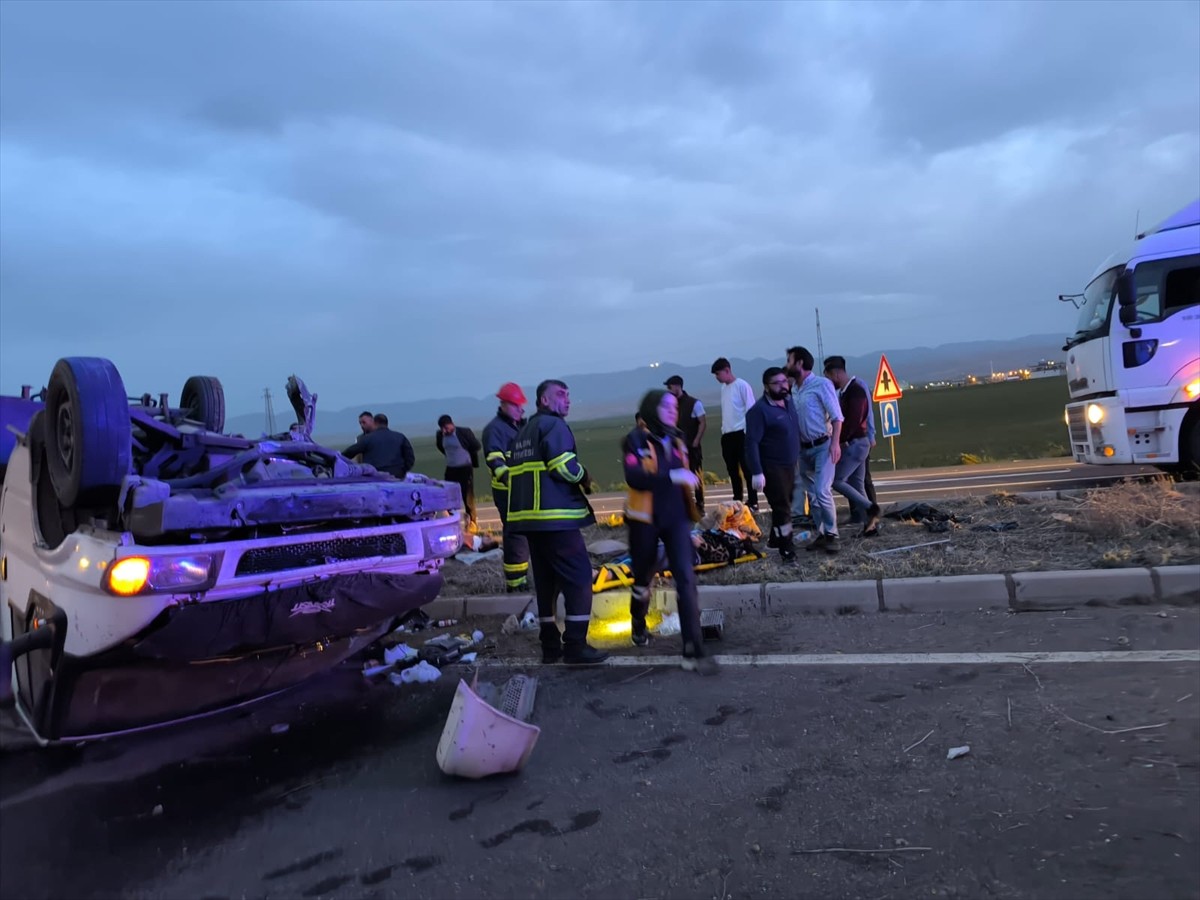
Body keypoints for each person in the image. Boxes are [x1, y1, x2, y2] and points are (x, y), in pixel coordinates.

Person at [507, 380, 608, 665]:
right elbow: (563, 465)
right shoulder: (554, 426)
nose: (567, 401)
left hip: (530, 522)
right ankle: (575, 645)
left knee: (546, 583)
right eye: (561, 395)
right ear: (544, 401)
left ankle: (550, 645)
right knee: (578, 577)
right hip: (555, 519)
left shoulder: (523, 431)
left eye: (568, 395)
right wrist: (584, 475)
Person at [622, 389, 717, 675]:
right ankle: (638, 623)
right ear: (652, 408)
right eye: (666, 406)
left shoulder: (678, 439)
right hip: (644, 522)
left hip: (676, 520)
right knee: (642, 581)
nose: (673, 410)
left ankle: (693, 648)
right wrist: (671, 476)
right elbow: (634, 476)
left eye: (675, 406)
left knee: (686, 581)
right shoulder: (635, 440)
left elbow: (684, 476)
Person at [785, 346, 843, 554]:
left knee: (822, 490)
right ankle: (821, 534)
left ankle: (832, 534)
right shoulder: (794, 389)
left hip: (823, 446)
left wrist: (835, 444)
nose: (787, 364)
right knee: (813, 495)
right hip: (803, 450)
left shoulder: (821, 384)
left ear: (800, 363)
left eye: (789, 360)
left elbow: (837, 417)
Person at [745, 367, 800, 562]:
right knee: (782, 508)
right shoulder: (759, 411)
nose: (783, 386)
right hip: (772, 467)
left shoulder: (788, 402)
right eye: (777, 383)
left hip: (790, 465)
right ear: (766, 386)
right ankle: (787, 549)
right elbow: (751, 443)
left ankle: (775, 540)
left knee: (785, 504)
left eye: (784, 381)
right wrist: (757, 472)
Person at [824, 356, 882, 536]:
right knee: (857, 484)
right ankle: (870, 525)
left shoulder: (855, 391)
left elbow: (855, 420)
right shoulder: (847, 391)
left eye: (828, 377)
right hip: (858, 442)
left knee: (837, 480)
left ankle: (870, 507)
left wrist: (840, 440)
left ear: (836, 374)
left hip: (856, 443)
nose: (828, 381)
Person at [482, 383, 531, 593]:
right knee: (516, 535)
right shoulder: (495, 430)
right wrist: (512, 480)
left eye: (521, 405)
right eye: (516, 405)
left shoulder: (519, 426)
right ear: (503, 405)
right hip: (508, 492)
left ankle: (524, 578)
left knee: (526, 534)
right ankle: (515, 583)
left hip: (523, 490)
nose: (521, 409)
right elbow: (495, 461)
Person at [710, 357, 758, 512]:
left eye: (718, 374)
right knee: (732, 470)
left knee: (746, 468)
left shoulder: (742, 386)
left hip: (741, 433)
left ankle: (753, 500)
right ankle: (737, 499)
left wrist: (749, 433)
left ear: (727, 370)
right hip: (728, 434)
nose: (717, 378)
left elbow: (751, 410)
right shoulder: (724, 388)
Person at [663, 375, 707, 512]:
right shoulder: (670, 405)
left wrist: (696, 441)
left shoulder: (694, 403)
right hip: (676, 449)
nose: (669, 390)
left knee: (696, 475)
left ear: (677, 386)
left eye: (670, 387)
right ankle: (684, 505)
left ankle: (700, 505)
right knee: (678, 478)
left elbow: (702, 422)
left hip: (691, 447)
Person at [436, 414, 482, 530]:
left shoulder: (464, 432)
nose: (445, 430)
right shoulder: (440, 436)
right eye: (443, 429)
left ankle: (472, 524)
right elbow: (441, 447)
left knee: (468, 497)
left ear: (452, 424)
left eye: (447, 428)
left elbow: (476, 445)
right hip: (451, 468)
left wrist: (466, 455)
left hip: (465, 468)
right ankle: (451, 522)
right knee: (449, 495)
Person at [343, 413, 415, 478]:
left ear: (374, 423)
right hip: (397, 477)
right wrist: (402, 471)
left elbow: (350, 452)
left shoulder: (367, 439)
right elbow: (410, 458)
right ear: (386, 423)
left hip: (376, 478)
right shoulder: (400, 437)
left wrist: (337, 458)